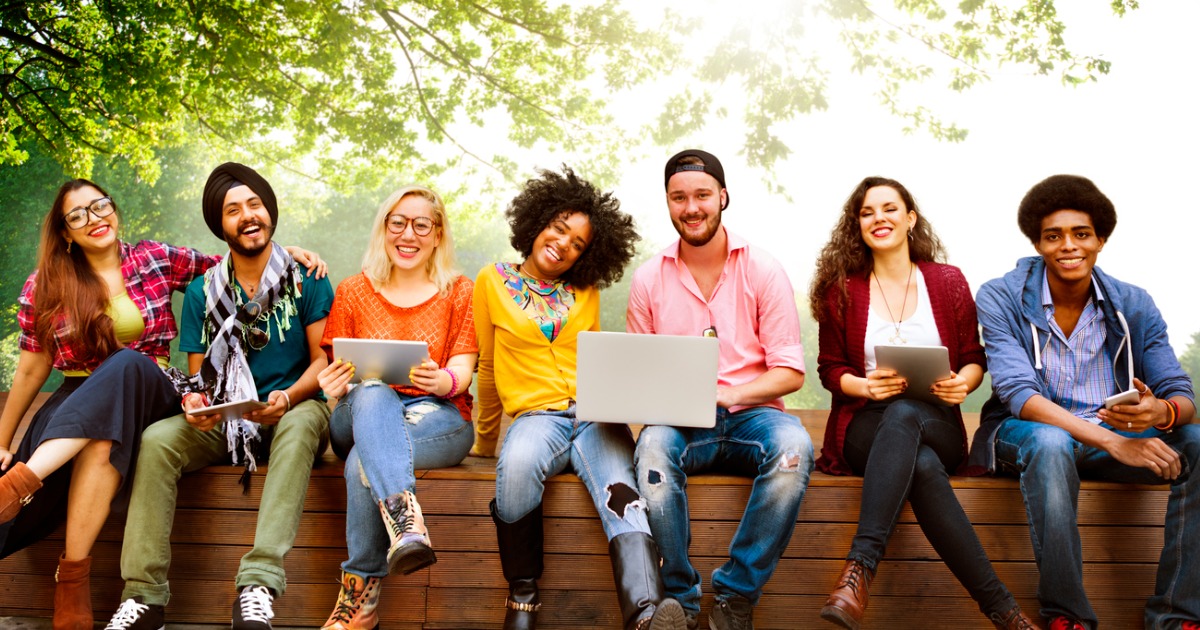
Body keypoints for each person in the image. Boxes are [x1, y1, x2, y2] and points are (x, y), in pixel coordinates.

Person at [103, 162, 334, 630]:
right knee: (158, 440)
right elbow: (198, 380)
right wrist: (197, 407)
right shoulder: (201, 292)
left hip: (291, 412)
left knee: (306, 418)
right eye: (233, 210)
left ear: (269, 211)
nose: (247, 216)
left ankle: (258, 584)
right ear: (220, 224)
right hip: (230, 425)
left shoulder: (307, 277)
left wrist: (287, 398)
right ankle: (144, 597)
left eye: (255, 204)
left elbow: (323, 361)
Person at [968, 174, 1198, 630]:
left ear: (1101, 240)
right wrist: (1116, 445)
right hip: (1028, 434)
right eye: (1053, 236)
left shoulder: (1133, 303)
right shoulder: (1001, 295)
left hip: (1111, 435)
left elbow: (1181, 393)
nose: (1068, 246)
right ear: (1038, 243)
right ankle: (1066, 615)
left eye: (1081, 234)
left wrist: (1162, 412)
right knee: (1052, 443)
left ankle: (1176, 615)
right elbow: (1019, 395)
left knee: (1195, 440)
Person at [809, 177, 1038, 630]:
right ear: (857, 225)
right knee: (923, 463)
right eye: (868, 212)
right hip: (864, 427)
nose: (880, 219)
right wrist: (864, 386)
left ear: (910, 218)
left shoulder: (947, 281)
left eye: (890, 209)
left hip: (938, 421)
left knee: (910, 415)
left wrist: (963, 384)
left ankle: (859, 570)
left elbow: (975, 358)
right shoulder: (842, 289)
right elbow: (830, 369)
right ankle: (1004, 611)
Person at [0, 179, 224, 630]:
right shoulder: (46, 284)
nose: (94, 218)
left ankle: (20, 484)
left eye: (100, 206)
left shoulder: (155, 258)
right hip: (79, 399)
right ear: (65, 232)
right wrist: (2, 441)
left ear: (114, 210)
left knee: (127, 364)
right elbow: (29, 371)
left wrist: (290, 254)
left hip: (156, 387)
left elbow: (233, 267)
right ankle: (72, 579)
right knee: (102, 441)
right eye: (78, 215)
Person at [474, 166, 686, 630]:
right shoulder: (491, 280)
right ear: (539, 222)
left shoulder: (585, 291)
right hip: (536, 416)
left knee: (624, 495)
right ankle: (523, 599)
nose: (564, 245)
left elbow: (597, 359)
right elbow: (487, 367)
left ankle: (647, 614)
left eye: (578, 244)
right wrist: (485, 439)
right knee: (517, 468)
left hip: (594, 416)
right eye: (559, 229)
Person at [630, 149, 812, 630]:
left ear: (723, 197)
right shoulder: (648, 279)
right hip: (683, 423)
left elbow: (790, 372)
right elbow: (639, 376)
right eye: (679, 197)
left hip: (753, 414)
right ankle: (680, 601)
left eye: (702, 195)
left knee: (794, 448)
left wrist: (729, 395)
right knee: (651, 448)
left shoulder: (763, 269)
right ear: (668, 203)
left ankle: (735, 597)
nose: (691, 207)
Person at [316, 185, 478, 630]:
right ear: (384, 229)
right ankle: (406, 523)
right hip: (358, 412)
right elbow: (336, 372)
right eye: (398, 223)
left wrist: (443, 379)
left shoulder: (459, 291)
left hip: (437, 417)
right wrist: (333, 384)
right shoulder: (352, 291)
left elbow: (463, 368)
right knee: (371, 391)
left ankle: (359, 602)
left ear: (438, 232)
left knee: (361, 466)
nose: (409, 234)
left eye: (421, 224)